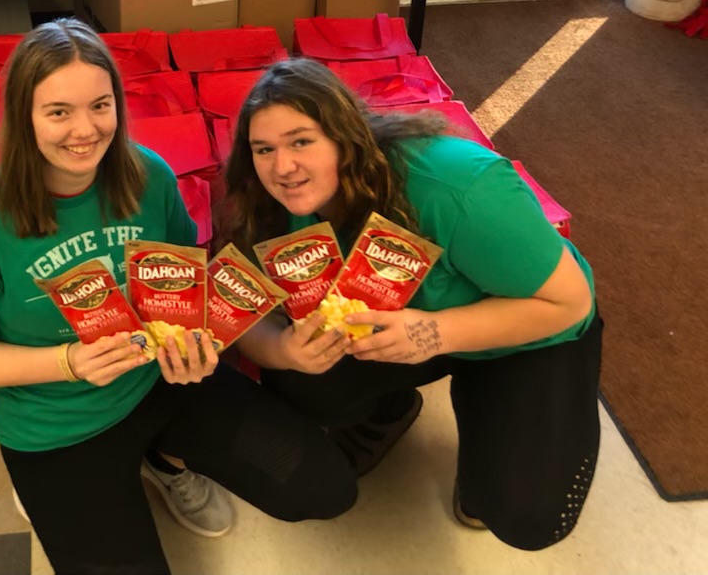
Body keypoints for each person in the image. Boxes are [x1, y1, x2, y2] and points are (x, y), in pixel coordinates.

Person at [0, 22, 356, 575]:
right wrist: (68, 362)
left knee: (324, 488)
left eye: (100, 106)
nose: (84, 130)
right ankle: (51, 491)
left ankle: (164, 461)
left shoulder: (150, 176)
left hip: (160, 381)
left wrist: (197, 341)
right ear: (24, 117)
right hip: (57, 426)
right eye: (58, 112)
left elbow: (176, 289)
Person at [223, 58, 601, 552]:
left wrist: (433, 333)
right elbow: (243, 313)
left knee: (528, 515)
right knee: (297, 382)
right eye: (263, 149)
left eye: (301, 141)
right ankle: (391, 411)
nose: (282, 167)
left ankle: (490, 432)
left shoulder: (456, 186)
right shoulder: (266, 203)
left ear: (346, 135)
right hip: (390, 335)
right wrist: (283, 351)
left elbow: (570, 303)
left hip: (525, 332)